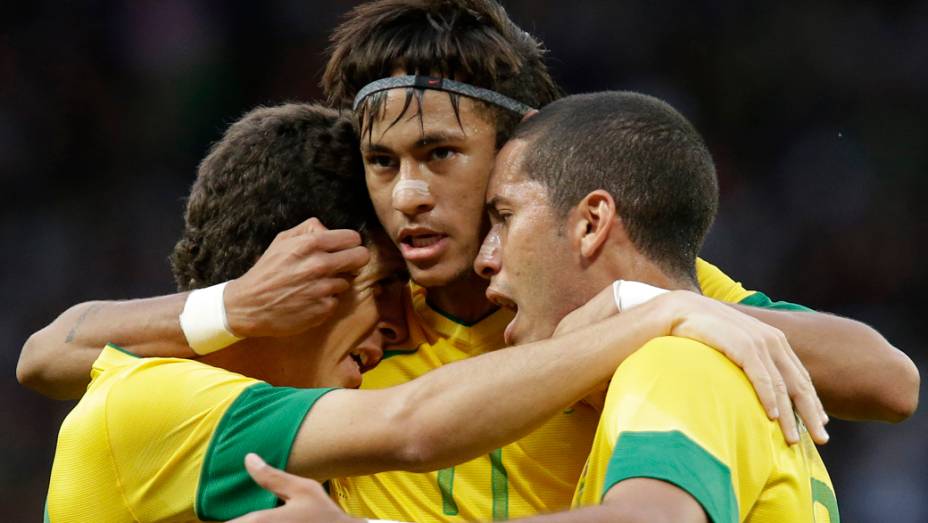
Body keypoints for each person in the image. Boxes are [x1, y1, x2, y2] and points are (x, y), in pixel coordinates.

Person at [18, 0, 917, 520]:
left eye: (440, 156)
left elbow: (886, 379)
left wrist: (655, 312)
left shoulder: (616, 292)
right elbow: (55, 355)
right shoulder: (359, 319)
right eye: (383, 163)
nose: (407, 194)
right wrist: (233, 305)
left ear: (517, 155)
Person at [42, 102, 794, 523]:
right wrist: (645, 314)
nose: (399, 330)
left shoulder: (688, 352)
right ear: (297, 279)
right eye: (381, 291)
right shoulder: (152, 408)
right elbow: (414, 425)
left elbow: (892, 378)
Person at [225, 91, 842, 523]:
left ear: (592, 222)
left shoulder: (681, 354)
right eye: (382, 161)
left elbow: (646, 520)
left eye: (505, 217)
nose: (487, 257)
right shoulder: (701, 343)